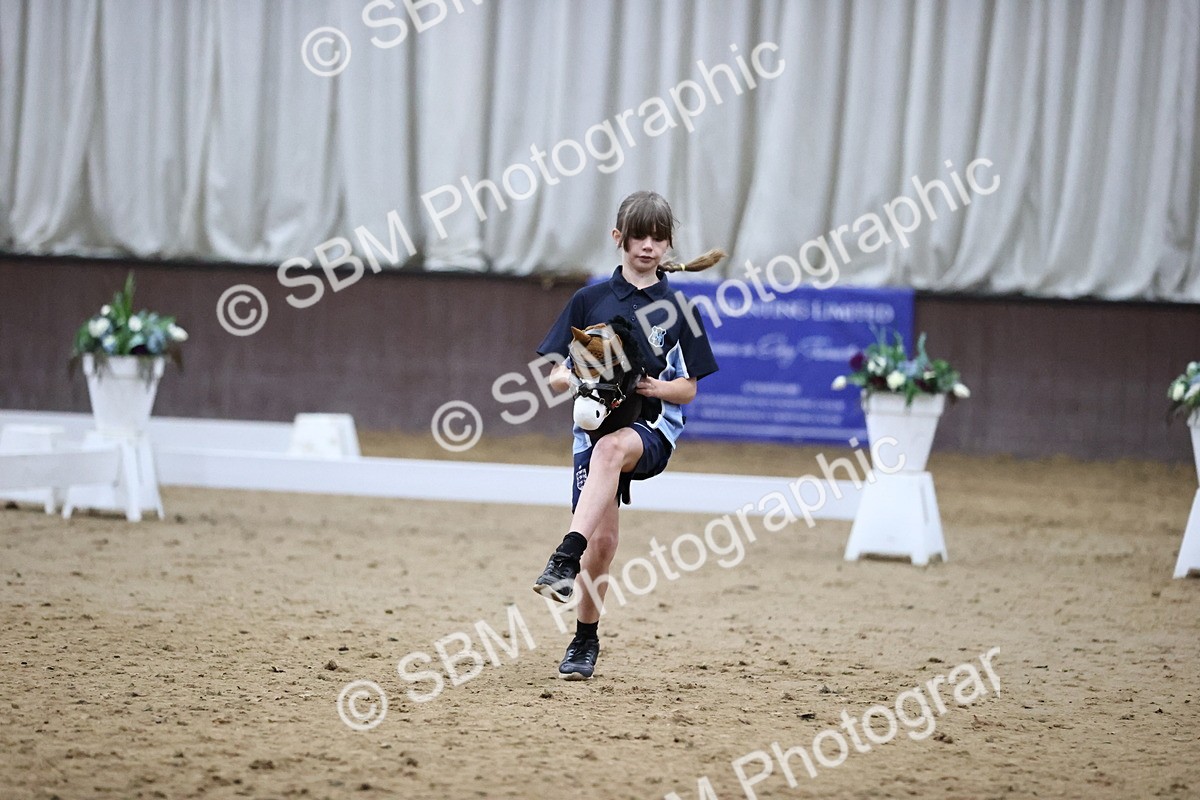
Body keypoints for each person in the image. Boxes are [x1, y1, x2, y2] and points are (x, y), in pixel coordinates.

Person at [531, 190, 719, 680]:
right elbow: (554, 375)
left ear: (668, 245)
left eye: (659, 238)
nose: (649, 246)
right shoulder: (588, 299)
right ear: (620, 237)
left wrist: (653, 385)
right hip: (592, 430)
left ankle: (561, 557)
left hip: (652, 427)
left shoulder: (679, 308)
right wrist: (581, 376)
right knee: (605, 543)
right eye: (640, 236)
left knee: (614, 448)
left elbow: (689, 391)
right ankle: (584, 640)